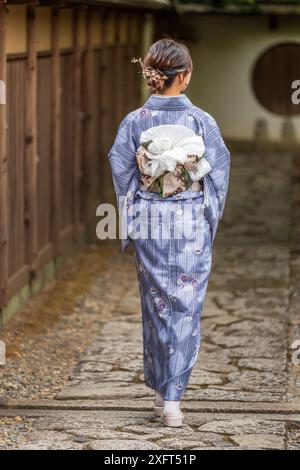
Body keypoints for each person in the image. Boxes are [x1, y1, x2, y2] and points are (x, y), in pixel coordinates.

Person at [108, 37, 230, 427]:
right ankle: (174, 399)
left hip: (151, 222)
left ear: (154, 77)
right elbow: (219, 173)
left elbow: (121, 169)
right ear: (186, 76)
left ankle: (163, 396)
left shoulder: (135, 122)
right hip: (190, 222)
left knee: (156, 305)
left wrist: (133, 209)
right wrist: (209, 216)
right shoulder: (201, 122)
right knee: (185, 308)